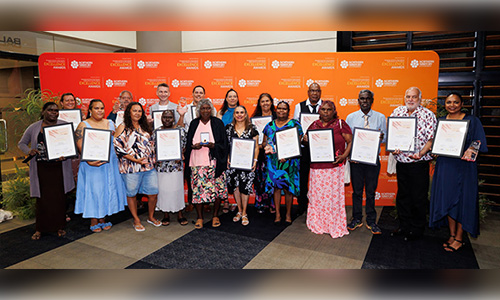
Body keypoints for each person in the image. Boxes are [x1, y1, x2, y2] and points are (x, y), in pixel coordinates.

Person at [429, 93, 487, 251]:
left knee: (461, 202)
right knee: (446, 200)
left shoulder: (472, 121)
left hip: (464, 168)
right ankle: (452, 234)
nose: (452, 105)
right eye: (448, 102)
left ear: (462, 104)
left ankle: (460, 238)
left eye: (456, 102)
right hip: (445, 166)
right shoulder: (441, 121)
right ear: (445, 104)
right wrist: (435, 149)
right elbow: (436, 141)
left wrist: (471, 149)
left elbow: (479, 141)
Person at [18, 102, 75, 240]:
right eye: (50, 110)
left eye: (56, 111)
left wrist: (66, 154)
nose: (54, 113)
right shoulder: (34, 127)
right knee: (42, 200)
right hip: (41, 169)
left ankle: (59, 227)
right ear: (43, 111)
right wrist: (29, 151)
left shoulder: (64, 126)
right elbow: (21, 143)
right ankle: (40, 229)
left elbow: (70, 146)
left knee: (59, 199)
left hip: (59, 168)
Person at [390, 87, 437, 241]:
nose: (410, 100)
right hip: (402, 162)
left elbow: (431, 139)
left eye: (414, 97)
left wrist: (422, 153)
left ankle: (417, 229)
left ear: (420, 99)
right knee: (403, 196)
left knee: (418, 197)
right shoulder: (398, 112)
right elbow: (392, 135)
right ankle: (404, 226)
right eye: (408, 96)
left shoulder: (428, 115)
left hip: (419, 163)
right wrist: (394, 148)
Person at [74, 99, 127, 232]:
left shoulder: (110, 123)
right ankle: (93, 219)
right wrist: (89, 160)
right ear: (90, 110)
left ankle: (103, 217)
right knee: (94, 191)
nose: (100, 111)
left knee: (106, 189)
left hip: (109, 163)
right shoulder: (83, 124)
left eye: (102, 108)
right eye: (96, 108)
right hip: (91, 164)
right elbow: (79, 144)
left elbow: (116, 141)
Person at [302, 100, 352, 238]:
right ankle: (318, 222)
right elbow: (306, 140)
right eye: (323, 109)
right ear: (319, 111)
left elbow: (350, 142)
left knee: (332, 197)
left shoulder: (341, 124)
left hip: (334, 168)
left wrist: (344, 156)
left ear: (334, 111)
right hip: (317, 168)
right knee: (318, 197)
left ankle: (333, 224)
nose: (326, 112)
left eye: (329, 110)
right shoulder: (314, 125)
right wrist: (305, 139)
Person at [114, 102, 160, 231]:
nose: (137, 113)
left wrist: (154, 159)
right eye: (134, 111)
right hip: (131, 167)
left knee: (153, 192)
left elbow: (152, 144)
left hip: (148, 166)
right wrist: (135, 160)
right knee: (132, 194)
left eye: (139, 111)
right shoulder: (122, 127)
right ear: (129, 112)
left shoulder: (145, 126)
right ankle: (136, 219)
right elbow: (118, 148)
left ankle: (151, 217)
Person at [345, 89, 386, 234]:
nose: (364, 101)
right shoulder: (350, 117)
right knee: (356, 191)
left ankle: (371, 220)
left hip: (372, 160)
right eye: (362, 99)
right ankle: (356, 218)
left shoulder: (381, 117)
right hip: (356, 160)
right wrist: (348, 155)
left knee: (370, 191)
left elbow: (386, 138)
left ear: (372, 101)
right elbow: (347, 139)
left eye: (367, 99)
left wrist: (381, 137)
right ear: (358, 101)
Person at [185, 99, 228, 229]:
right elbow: (188, 144)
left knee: (217, 190)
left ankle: (215, 215)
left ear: (212, 110)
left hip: (214, 162)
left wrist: (213, 145)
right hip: (197, 162)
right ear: (199, 110)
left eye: (208, 108)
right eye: (203, 108)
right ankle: (199, 217)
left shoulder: (218, 123)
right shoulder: (193, 123)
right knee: (198, 192)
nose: (205, 111)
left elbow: (224, 144)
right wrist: (193, 146)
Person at [263, 101, 303, 225]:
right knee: (276, 188)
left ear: (288, 110)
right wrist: (267, 147)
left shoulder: (295, 124)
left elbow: (298, 141)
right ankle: (278, 214)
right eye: (279, 108)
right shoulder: (269, 125)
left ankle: (288, 214)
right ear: (276, 110)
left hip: (290, 161)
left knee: (288, 189)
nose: (281, 111)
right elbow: (264, 142)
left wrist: (287, 154)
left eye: (284, 109)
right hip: (274, 162)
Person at [152, 109, 188, 226]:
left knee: (177, 190)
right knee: (164, 191)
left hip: (176, 166)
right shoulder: (156, 132)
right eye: (165, 117)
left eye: (170, 117)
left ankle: (180, 214)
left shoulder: (180, 131)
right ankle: (165, 214)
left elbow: (185, 146)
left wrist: (181, 153)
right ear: (161, 119)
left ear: (174, 118)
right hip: (162, 167)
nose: (167, 119)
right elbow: (153, 149)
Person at [226, 106, 259, 226]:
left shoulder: (252, 128)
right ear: (234, 115)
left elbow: (255, 146)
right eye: (237, 113)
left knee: (245, 188)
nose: (239, 115)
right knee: (235, 187)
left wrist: (255, 160)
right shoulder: (228, 128)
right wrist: (228, 158)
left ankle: (245, 212)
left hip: (247, 163)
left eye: (242, 112)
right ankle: (239, 210)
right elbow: (226, 146)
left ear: (245, 114)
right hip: (233, 164)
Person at [293, 82, 323, 216]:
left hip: (321, 150)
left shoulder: (326, 106)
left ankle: (320, 205)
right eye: (312, 91)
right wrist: (301, 138)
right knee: (303, 178)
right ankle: (302, 206)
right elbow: (295, 127)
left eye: (317, 91)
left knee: (321, 178)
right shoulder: (299, 106)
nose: (315, 93)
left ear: (320, 92)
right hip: (304, 149)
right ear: (308, 92)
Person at [251, 93, 277, 214]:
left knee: (271, 178)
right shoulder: (255, 118)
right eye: (262, 101)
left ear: (271, 102)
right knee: (259, 178)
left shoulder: (277, 118)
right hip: (259, 153)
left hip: (273, 154)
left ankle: (272, 204)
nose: (265, 103)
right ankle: (260, 203)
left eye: (267, 101)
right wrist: (259, 144)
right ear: (259, 104)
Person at [216, 88, 240, 212]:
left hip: (237, 147)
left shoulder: (240, 111)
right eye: (230, 96)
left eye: (234, 96)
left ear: (237, 98)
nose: (232, 98)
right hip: (223, 147)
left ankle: (237, 202)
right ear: (226, 99)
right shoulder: (220, 112)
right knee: (224, 174)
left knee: (236, 175)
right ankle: (225, 201)